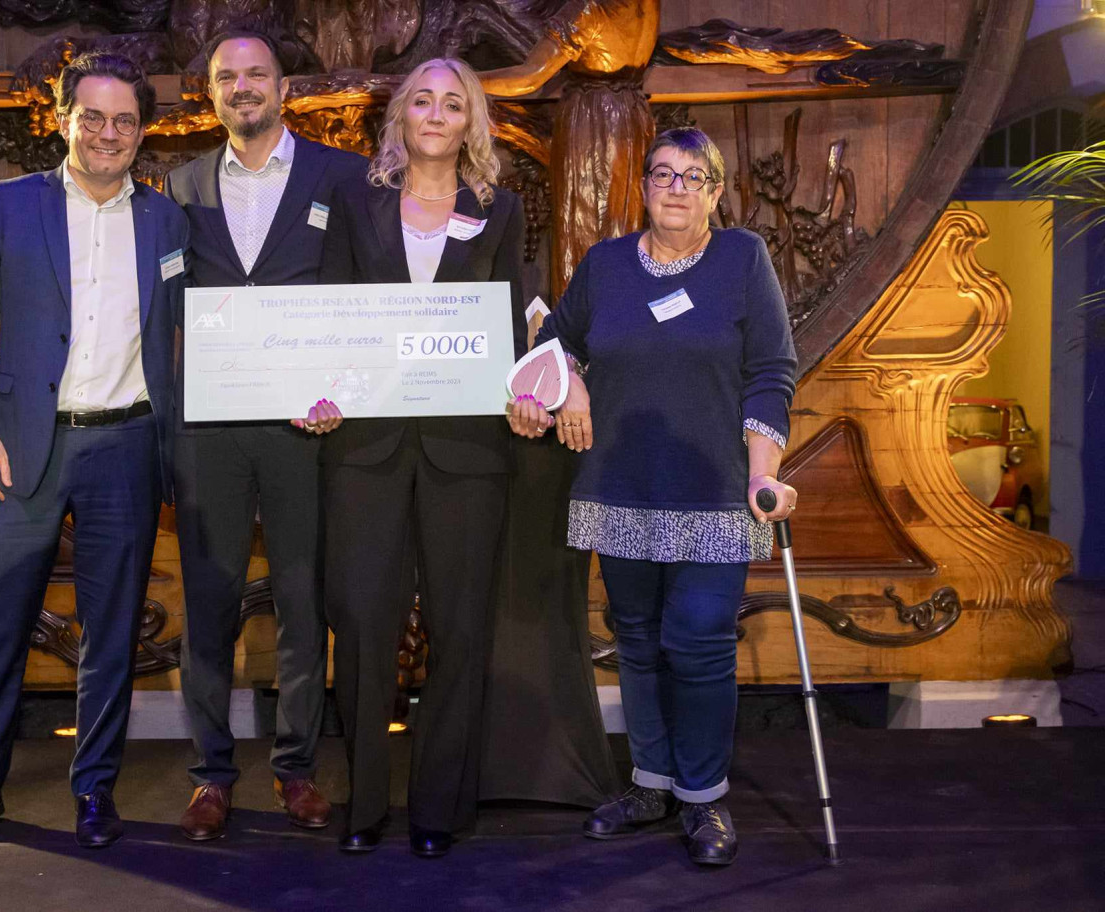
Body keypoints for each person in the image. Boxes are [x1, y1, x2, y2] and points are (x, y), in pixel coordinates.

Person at [0, 52, 189, 852]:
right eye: (93, 117)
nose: (109, 134)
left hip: (129, 448)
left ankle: (95, 794)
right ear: (65, 119)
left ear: (142, 132)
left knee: (112, 635)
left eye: (125, 121)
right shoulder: (7, 205)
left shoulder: (166, 220)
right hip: (22, 450)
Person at [509, 126, 799, 867]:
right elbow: (555, 336)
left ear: (715, 191)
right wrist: (569, 378)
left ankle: (703, 799)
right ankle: (650, 784)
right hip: (621, 488)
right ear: (643, 187)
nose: (675, 188)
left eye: (692, 177)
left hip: (714, 493)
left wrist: (765, 472)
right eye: (662, 174)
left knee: (698, 644)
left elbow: (771, 370)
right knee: (635, 642)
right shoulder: (606, 265)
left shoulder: (743, 259)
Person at [317, 57, 526, 859]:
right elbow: (332, 310)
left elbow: (511, 320)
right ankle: (365, 803)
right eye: (423, 101)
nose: (437, 114)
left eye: (453, 103)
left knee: (458, 626)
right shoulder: (355, 202)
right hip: (365, 447)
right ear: (401, 116)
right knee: (364, 622)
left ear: (472, 121)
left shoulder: (499, 208)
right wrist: (321, 389)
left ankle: (439, 806)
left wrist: (534, 384)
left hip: (468, 449)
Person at [162, 29, 363, 842]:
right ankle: (210, 777)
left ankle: (295, 770)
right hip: (208, 427)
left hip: (304, 428)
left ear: (284, 88)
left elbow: (365, 291)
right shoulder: (177, 187)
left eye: (256, 75)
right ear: (210, 93)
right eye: (226, 77)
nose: (242, 87)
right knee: (207, 603)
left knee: (302, 598)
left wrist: (344, 390)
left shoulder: (341, 177)